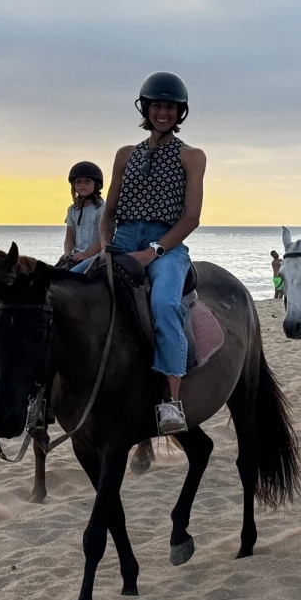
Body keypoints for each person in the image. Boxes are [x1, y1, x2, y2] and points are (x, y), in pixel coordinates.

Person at [96, 71, 205, 435]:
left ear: (180, 112)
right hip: (123, 239)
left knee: (164, 304)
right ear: (146, 108)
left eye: (170, 107)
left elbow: (191, 218)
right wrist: (103, 246)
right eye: (157, 105)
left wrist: (153, 251)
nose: (163, 112)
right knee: (64, 291)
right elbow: (108, 213)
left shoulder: (192, 156)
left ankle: (171, 402)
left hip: (167, 245)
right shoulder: (125, 154)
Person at [60, 161, 104, 267]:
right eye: (78, 181)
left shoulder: (102, 208)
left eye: (87, 181)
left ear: (96, 184)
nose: (82, 185)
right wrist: (67, 253)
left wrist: (87, 254)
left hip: (96, 257)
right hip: (77, 256)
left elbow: (104, 237)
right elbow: (70, 236)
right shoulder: (72, 210)